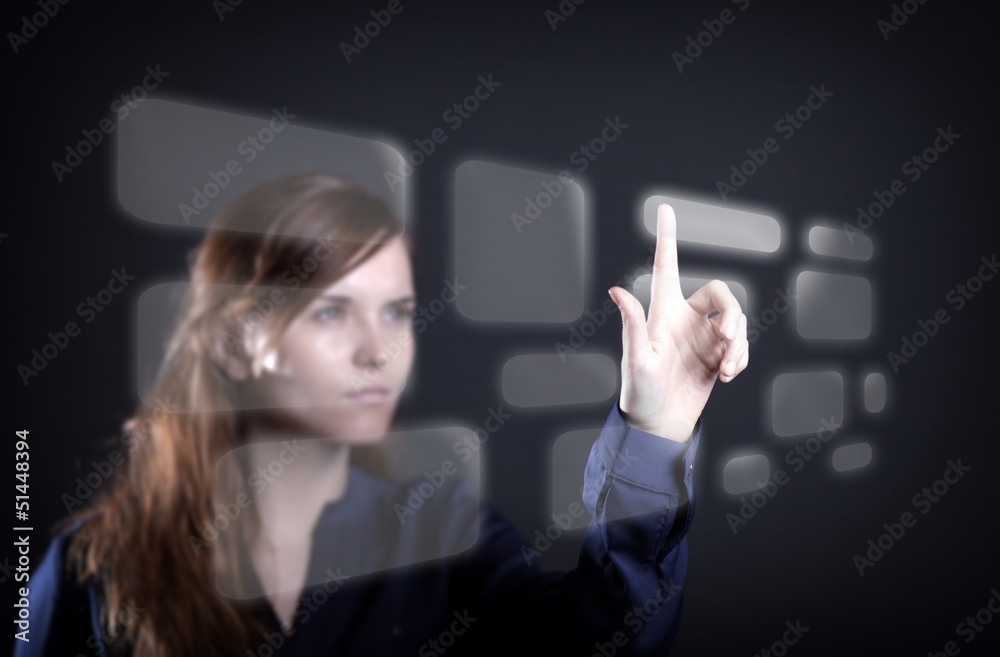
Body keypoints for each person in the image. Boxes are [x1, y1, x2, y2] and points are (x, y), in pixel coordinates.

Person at [14, 173, 748, 656]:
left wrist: (654, 433)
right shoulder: (95, 566)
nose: (380, 350)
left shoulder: (445, 534)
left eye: (396, 311)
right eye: (331, 311)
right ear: (234, 342)